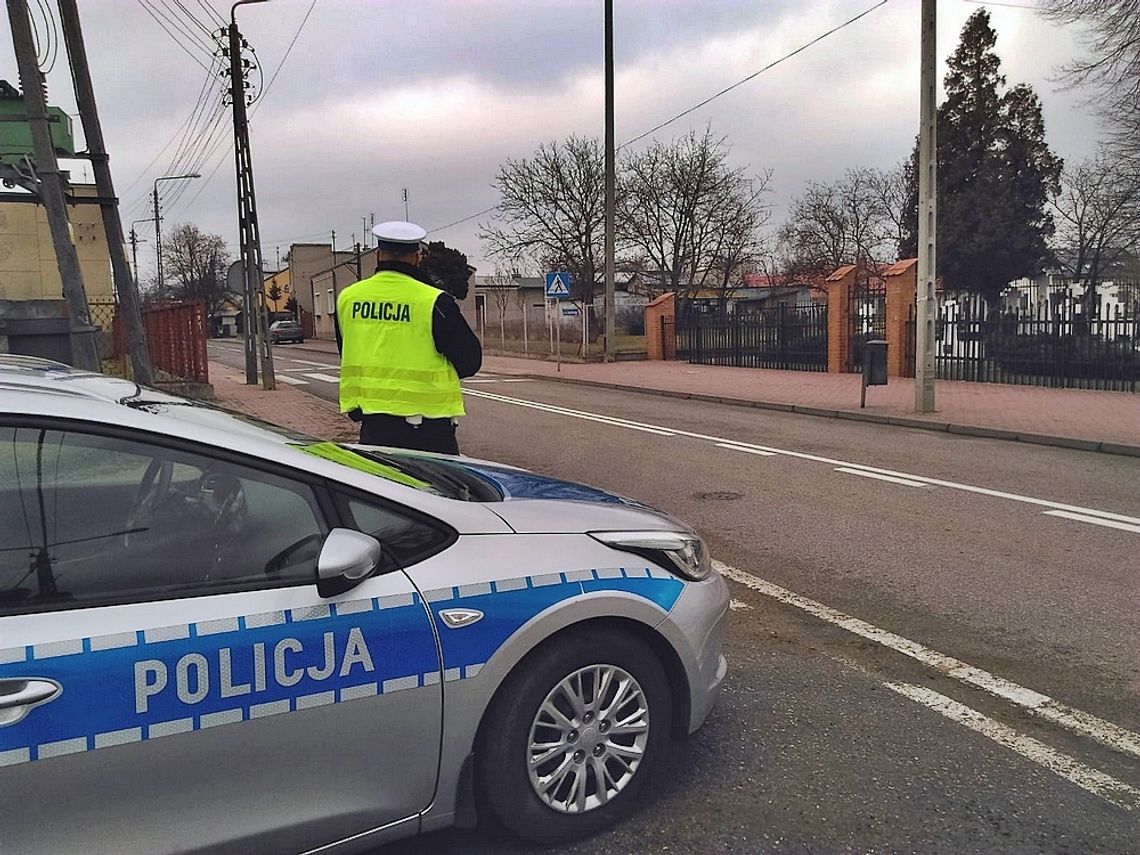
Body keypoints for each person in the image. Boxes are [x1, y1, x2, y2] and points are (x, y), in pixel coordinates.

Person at [335, 221, 481, 454]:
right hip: (429, 429)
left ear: (378, 256)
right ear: (416, 258)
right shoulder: (435, 301)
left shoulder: (347, 299)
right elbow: (470, 361)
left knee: (379, 488)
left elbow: (348, 350)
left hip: (374, 426)